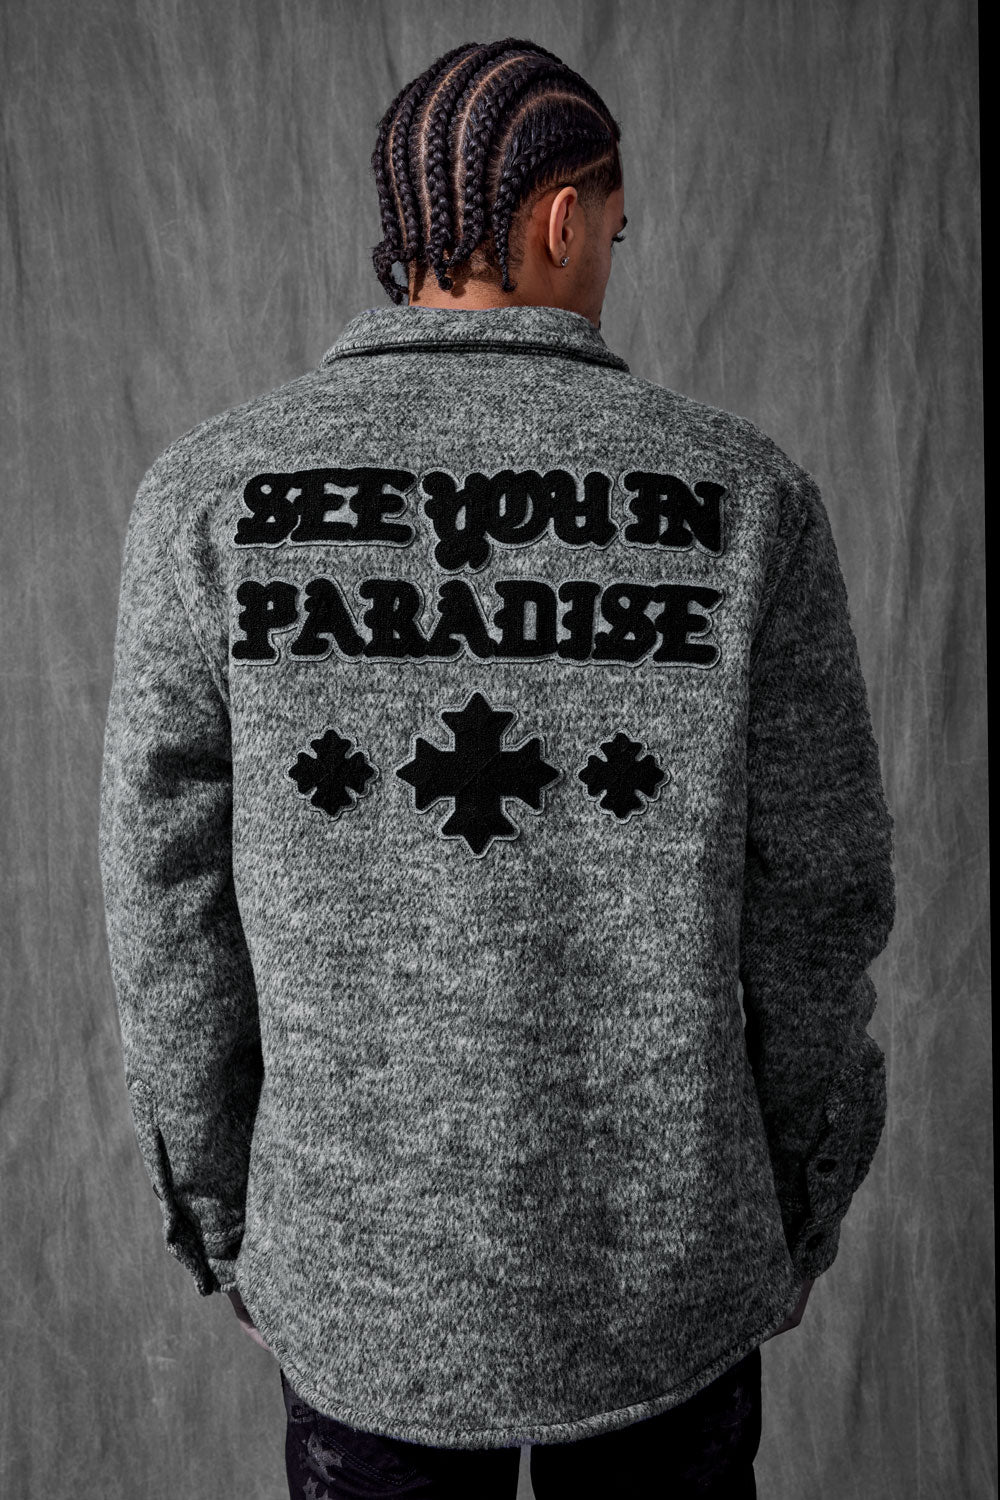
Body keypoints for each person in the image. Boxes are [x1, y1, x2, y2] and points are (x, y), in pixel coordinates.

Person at [98, 36, 895, 1500]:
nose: (611, 258)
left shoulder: (207, 501)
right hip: (668, 1270)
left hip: (361, 1276)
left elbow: (165, 906)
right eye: (616, 229)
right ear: (562, 220)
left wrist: (225, 1209)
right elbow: (822, 894)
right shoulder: (746, 501)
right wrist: (793, 1195)